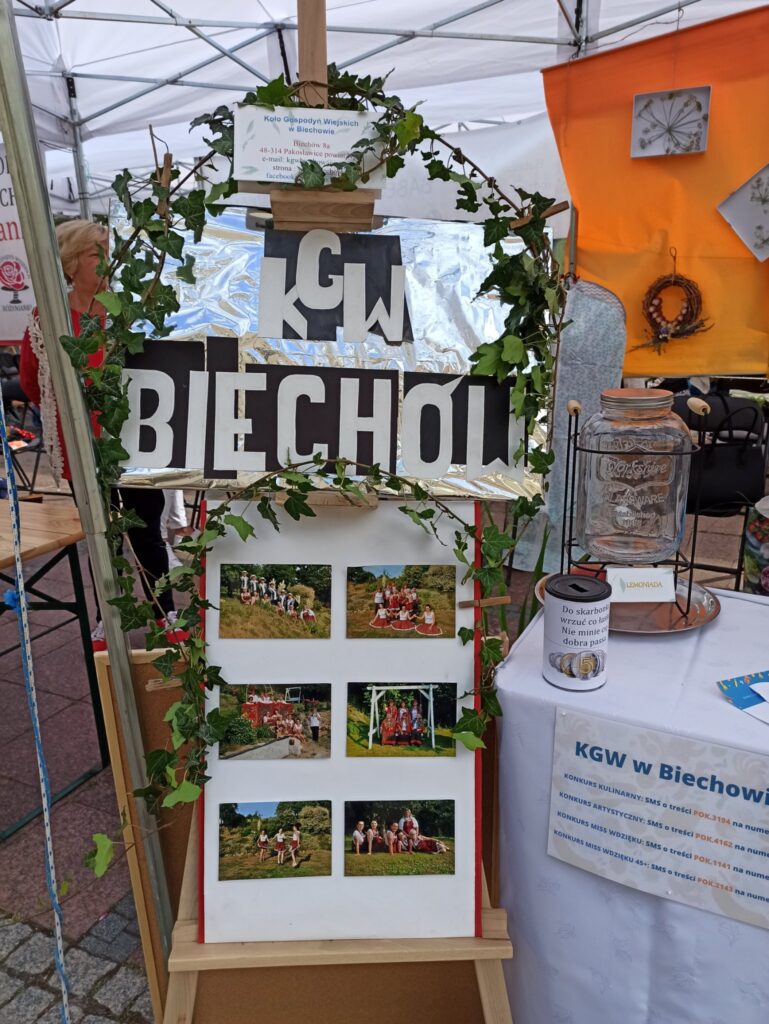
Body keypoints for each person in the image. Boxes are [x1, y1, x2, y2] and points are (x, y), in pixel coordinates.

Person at [19, 220, 186, 651]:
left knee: (146, 532)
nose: (108, 262)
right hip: (84, 452)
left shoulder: (129, 311)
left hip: (136, 446)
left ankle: (165, 611)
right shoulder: (47, 319)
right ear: (71, 264)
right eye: (97, 254)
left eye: (110, 252)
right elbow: (33, 382)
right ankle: (106, 619)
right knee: (101, 539)